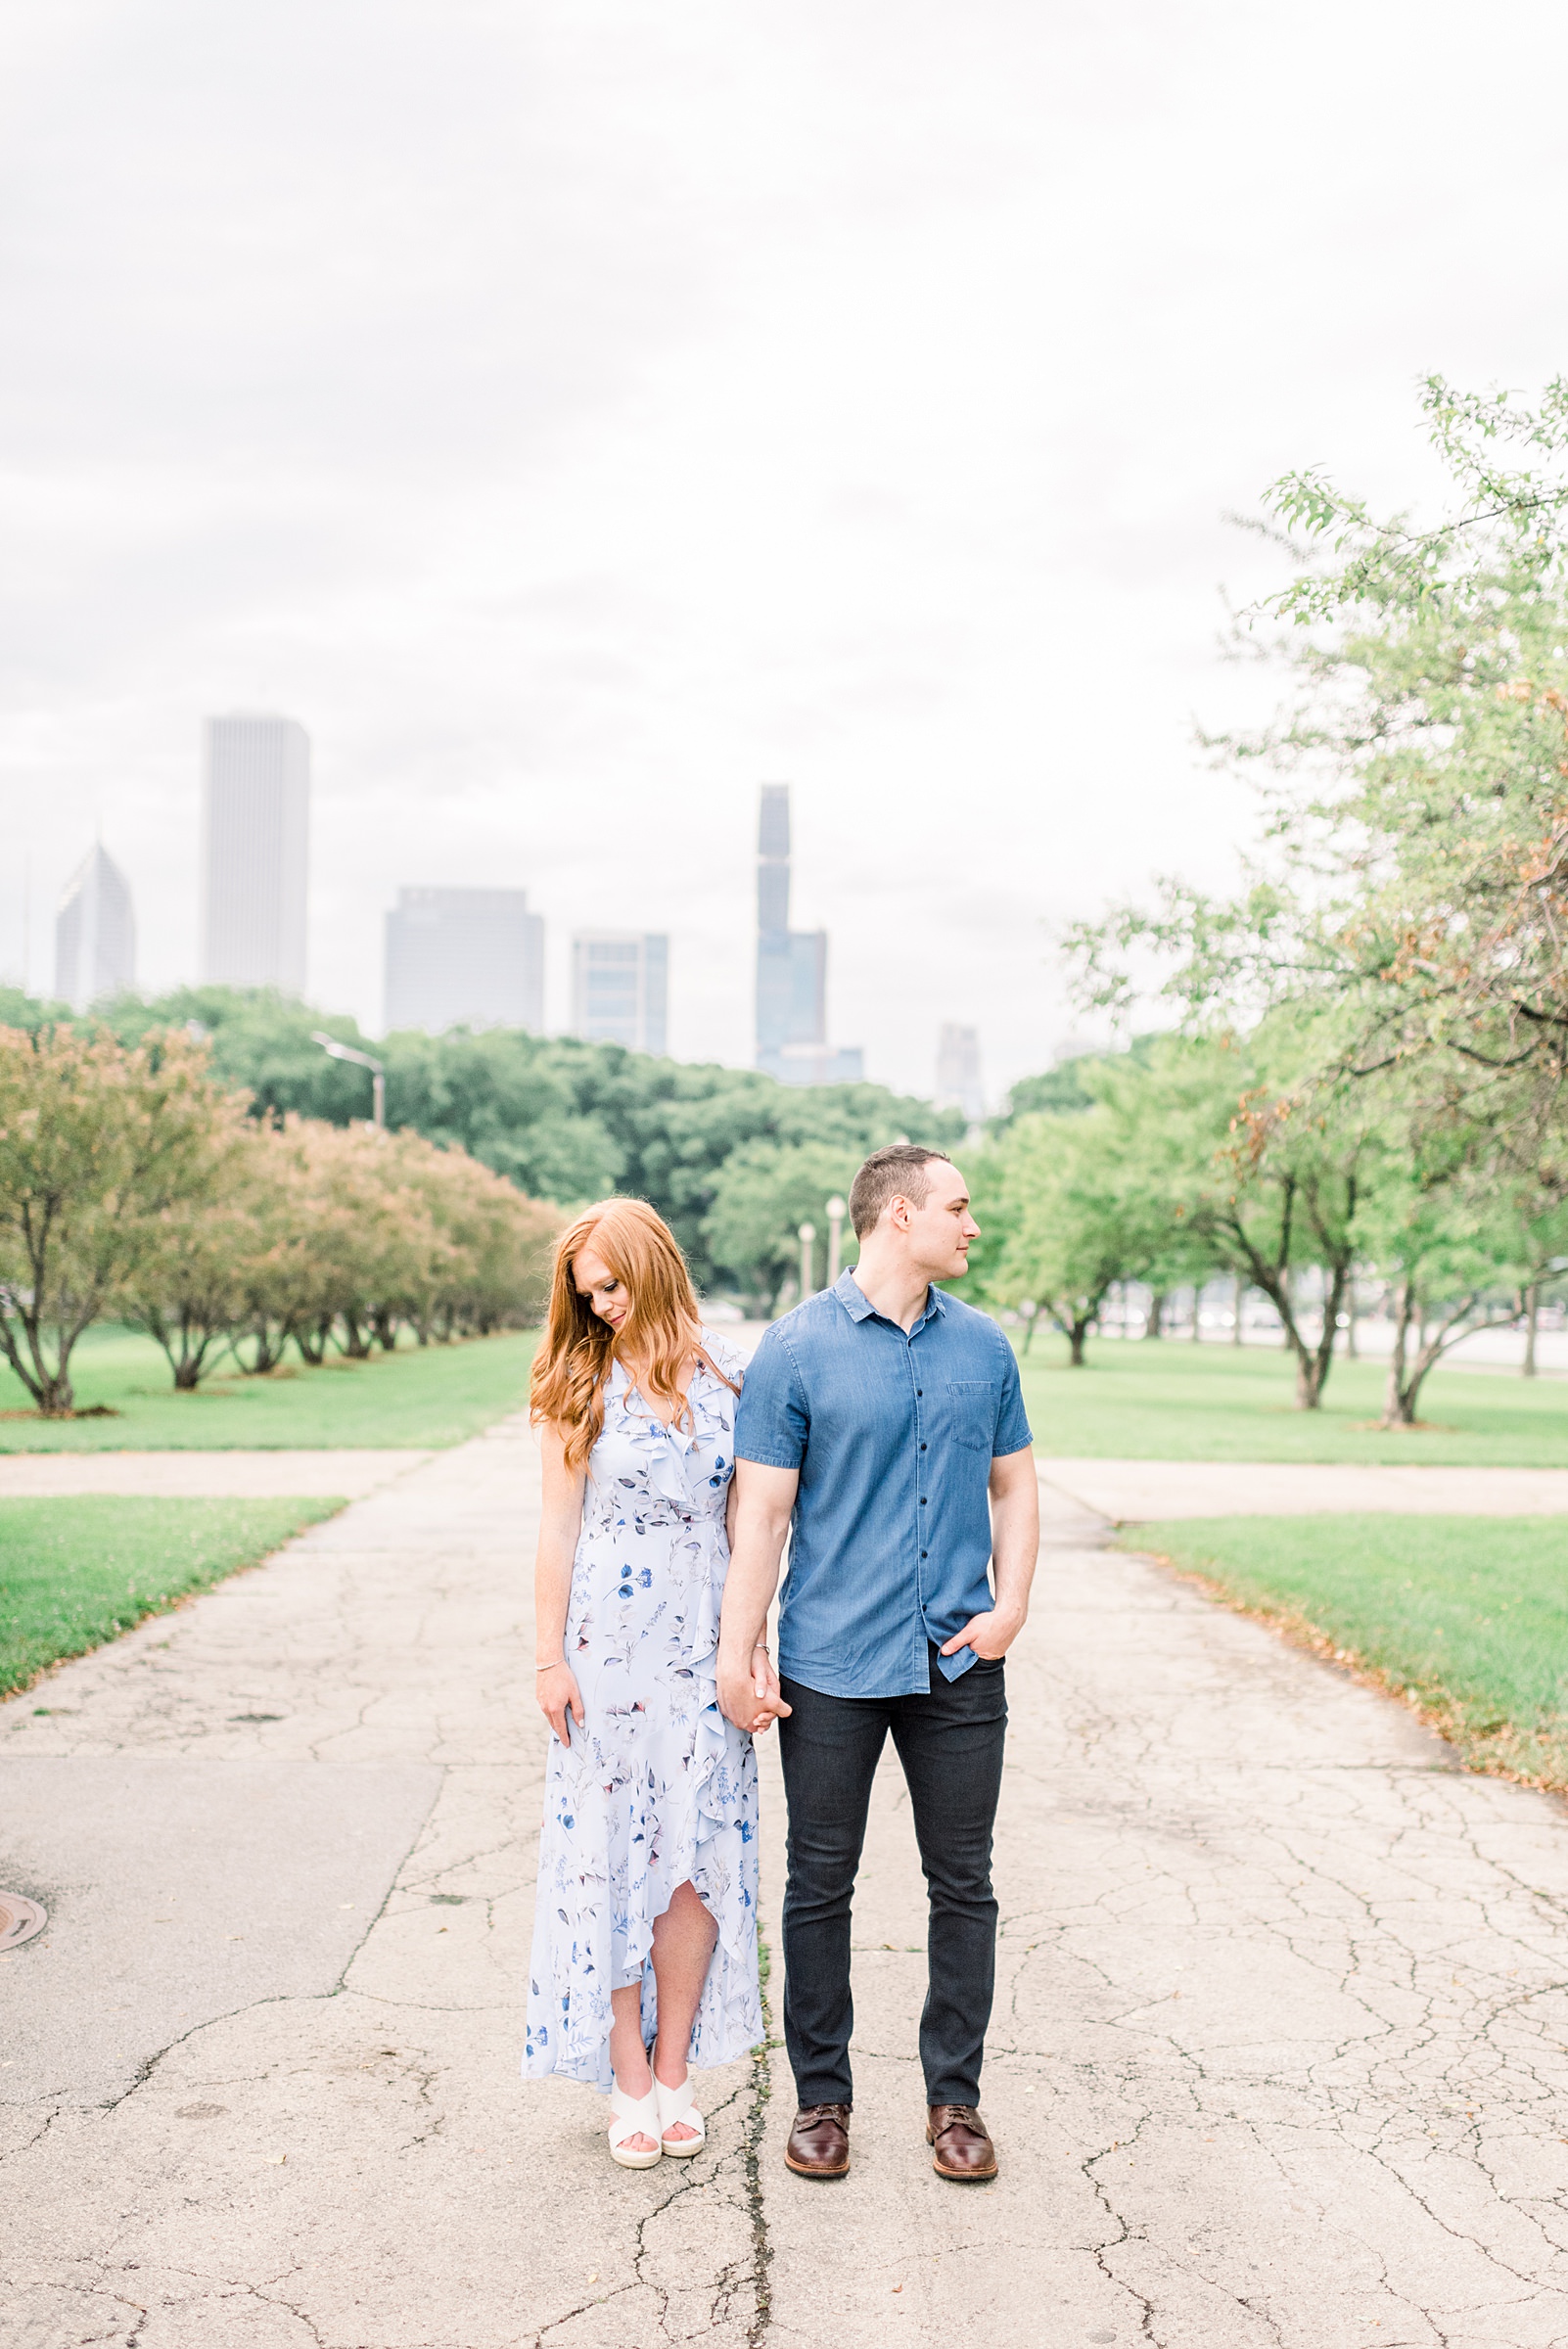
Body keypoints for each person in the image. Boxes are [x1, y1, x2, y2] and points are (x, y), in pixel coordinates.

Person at [717, 1143, 1038, 2184]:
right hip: (830, 1664)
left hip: (958, 1663)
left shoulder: (985, 1348)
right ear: (898, 1216)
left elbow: (1016, 1485)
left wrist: (1010, 1610)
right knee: (819, 1884)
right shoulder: (795, 1350)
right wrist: (739, 1653)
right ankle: (822, 2101)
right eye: (958, 1206)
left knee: (965, 1886)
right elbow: (760, 1516)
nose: (972, 1224)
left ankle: (957, 2104)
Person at [525, 1197, 765, 2169]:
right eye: (588, 1294)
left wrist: (752, 1649)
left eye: (614, 1285)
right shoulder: (576, 1382)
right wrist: (549, 1657)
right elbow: (555, 1530)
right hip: (606, 1651)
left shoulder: (728, 1374)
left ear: (655, 1266)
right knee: (611, 1855)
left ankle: (675, 2069)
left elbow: (757, 1525)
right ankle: (626, 2073)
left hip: (707, 1644)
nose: (603, 1305)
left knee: (697, 1856)